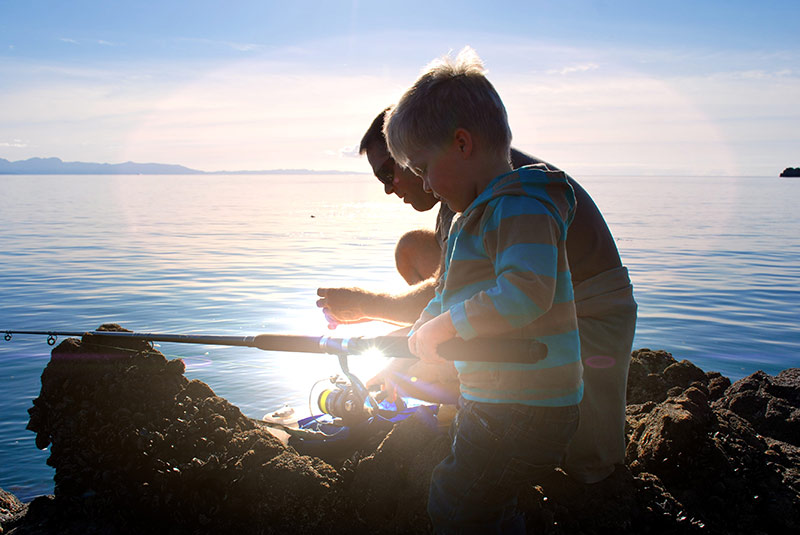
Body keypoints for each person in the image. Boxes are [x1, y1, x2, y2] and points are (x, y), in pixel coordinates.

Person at [382, 46, 583, 533]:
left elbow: (526, 291)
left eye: (423, 167)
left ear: (463, 143)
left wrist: (446, 326)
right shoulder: (476, 216)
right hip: (498, 400)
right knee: (483, 498)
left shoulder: (521, 208)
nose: (425, 184)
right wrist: (428, 324)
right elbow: (451, 291)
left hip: (523, 408)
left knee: (453, 502)